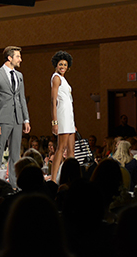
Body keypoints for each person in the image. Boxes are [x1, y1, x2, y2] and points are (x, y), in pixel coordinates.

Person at [0, 45, 31, 189]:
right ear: (9, 58)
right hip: (2, 118)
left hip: (18, 118)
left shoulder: (20, 76)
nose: (21, 59)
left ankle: (14, 185)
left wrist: (26, 119)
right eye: (18, 56)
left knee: (15, 153)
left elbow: (22, 98)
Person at [50, 50, 75, 183]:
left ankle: (70, 179)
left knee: (71, 151)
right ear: (56, 64)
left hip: (69, 115)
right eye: (60, 64)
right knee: (61, 148)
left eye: (65, 65)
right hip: (62, 115)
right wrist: (54, 122)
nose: (63, 67)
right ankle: (53, 180)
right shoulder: (56, 77)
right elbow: (53, 100)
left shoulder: (63, 78)